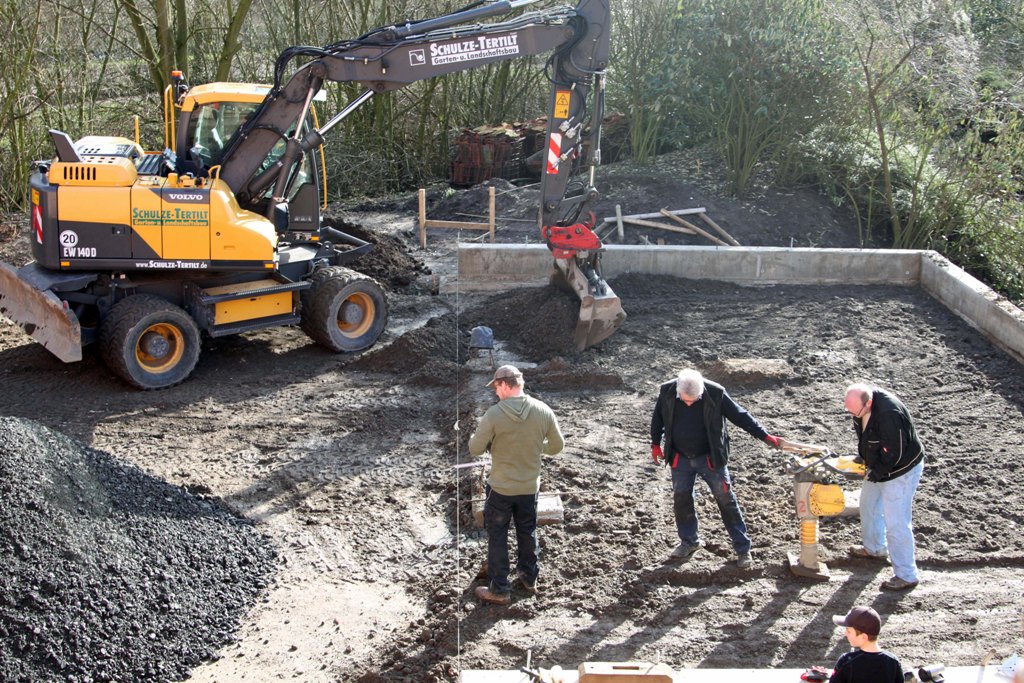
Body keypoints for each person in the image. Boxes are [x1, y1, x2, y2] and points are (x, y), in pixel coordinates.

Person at [650, 368, 783, 569]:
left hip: (710, 458)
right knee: (682, 499)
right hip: (680, 458)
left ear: (701, 391)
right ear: (678, 391)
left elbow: (740, 416)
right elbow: (658, 417)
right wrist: (655, 443)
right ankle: (689, 541)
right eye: (685, 400)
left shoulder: (716, 393)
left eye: (693, 401)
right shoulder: (667, 391)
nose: (689, 404)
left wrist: (764, 436)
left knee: (726, 500)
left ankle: (742, 548)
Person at [469, 364, 564, 606]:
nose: (496, 393)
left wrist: (492, 442)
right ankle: (529, 578)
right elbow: (557, 446)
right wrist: (534, 446)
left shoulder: (494, 414)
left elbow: (475, 449)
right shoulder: (543, 410)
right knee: (527, 530)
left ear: (505, 385)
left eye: (497, 388)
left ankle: (500, 588)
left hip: (500, 489)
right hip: (529, 487)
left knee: (498, 535)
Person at [843, 383, 925, 591]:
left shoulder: (890, 414)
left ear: (868, 403)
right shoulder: (863, 405)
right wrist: (865, 458)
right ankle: (875, 548)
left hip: (901, 470)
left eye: (855, 412)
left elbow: (895, 453)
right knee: (868, 506)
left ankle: (906, 574)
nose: (853, 415)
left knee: (896, 521)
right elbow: (867, 433)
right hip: (881, 463)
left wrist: (877, 471)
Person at [829, 605, 904, 683]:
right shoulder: (893, 661)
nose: (845, 634)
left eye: (849, 631)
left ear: (863, 637)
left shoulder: (847, 661)